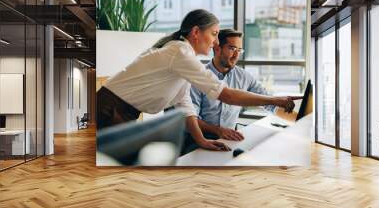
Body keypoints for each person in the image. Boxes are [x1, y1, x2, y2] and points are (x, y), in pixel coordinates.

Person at [97, 9, 297, 152]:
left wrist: (201, 140)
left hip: (120, 110)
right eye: (214, 34)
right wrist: (274, 100)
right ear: (195, 33)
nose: (216, 42)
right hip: (111, 108)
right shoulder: (180, 52)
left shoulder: (183, 57)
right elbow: (225, 94)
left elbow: (184, 105)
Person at [182, 29, 301, 154]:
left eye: (239, 50)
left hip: (230, 137)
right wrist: (219, 130)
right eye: (232, 49)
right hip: (199, 139)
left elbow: (268, 102)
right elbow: (191, 118)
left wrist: (297, 118)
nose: (236, 55)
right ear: (217, 48)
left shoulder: (243, 76)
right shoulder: (198, 77)